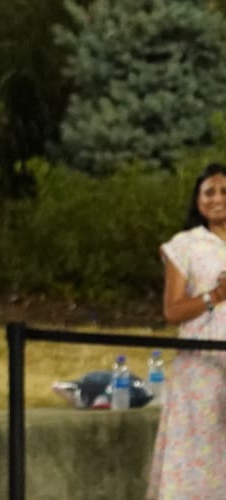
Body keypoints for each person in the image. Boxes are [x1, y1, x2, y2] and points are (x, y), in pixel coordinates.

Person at [146, 162, 226, 499]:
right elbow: (172, 310)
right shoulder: (186, 245)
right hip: (202, 365)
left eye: (224, 191)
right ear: (197, 200)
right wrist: (216, 296)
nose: (217, 198)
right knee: (199, 447)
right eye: (209, 192)